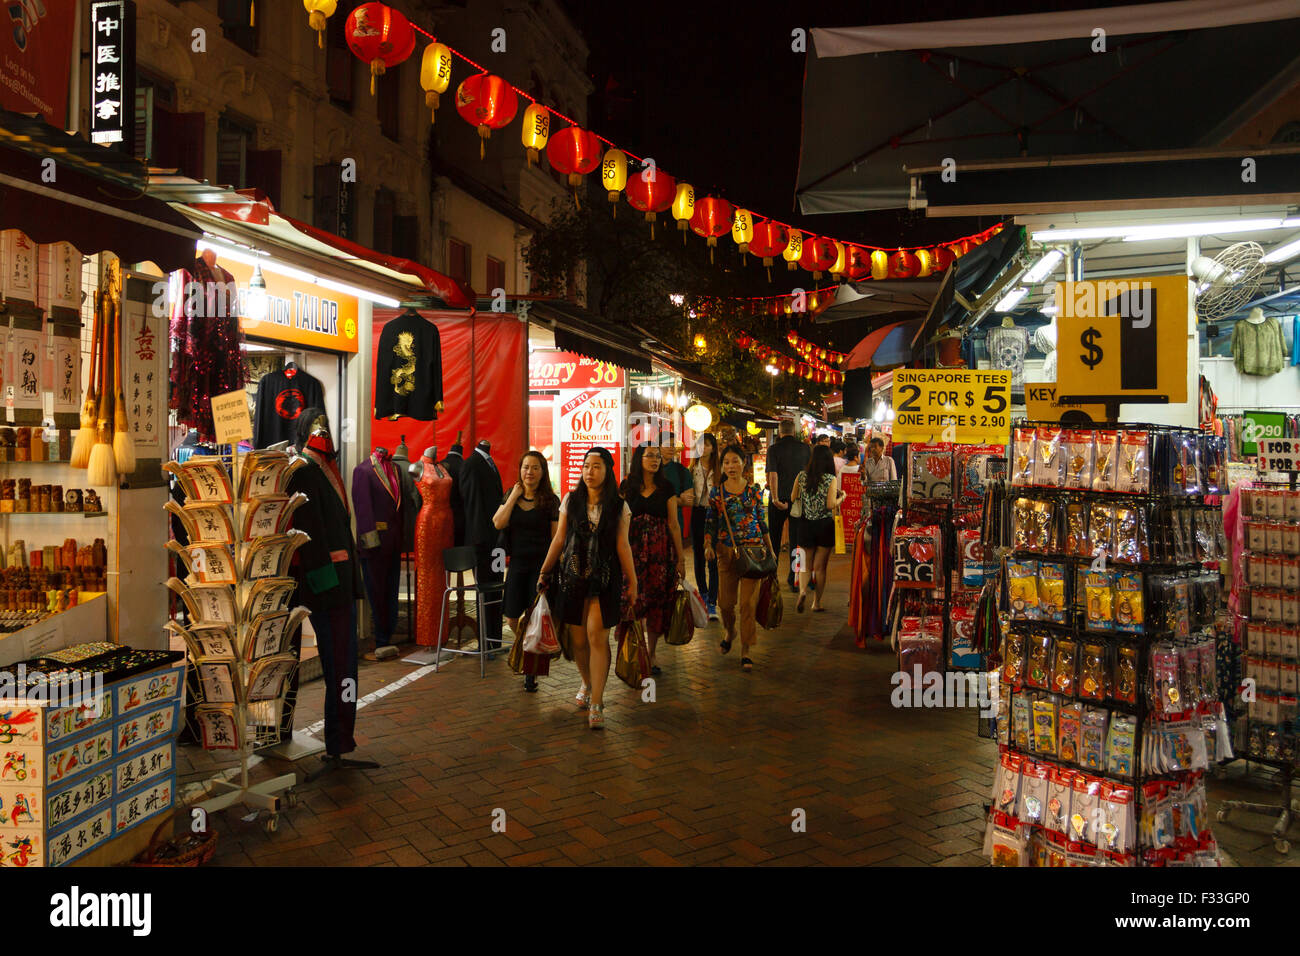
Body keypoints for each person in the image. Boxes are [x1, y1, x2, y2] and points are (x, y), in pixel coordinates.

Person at [538, 447, 637, 730]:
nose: (589, 472)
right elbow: (558, 539)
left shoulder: (619, 505)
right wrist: (544, 570)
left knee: (596, 636)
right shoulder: (571, 499)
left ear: (607, 471)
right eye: (586, 466)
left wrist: (633, 582)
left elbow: (623, 545)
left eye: (596, 467)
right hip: (573, 576)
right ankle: (586, 681)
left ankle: (597, 701)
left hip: (605, 579)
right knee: (578, 640)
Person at [704, 445, 775, 673]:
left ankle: (745, 651)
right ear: (722, 466)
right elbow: (710, 521)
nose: (730, 466)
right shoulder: (717, 492)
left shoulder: (754, 490)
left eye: (735, 461)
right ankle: (730, 631)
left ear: (743, 463)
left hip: (753, 552)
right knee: (725, 604)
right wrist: (708, 545)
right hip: (726, 553)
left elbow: (761, 522)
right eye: (726, 462)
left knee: (747, 604)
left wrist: (770, 549)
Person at [493, 451, 560, 693]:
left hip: (541, 567)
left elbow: (556, 539)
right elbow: (498, 523)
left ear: (542, 472)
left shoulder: (551, 501)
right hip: (518, 565)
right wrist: (513, 498)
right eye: (525, 467)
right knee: (512, 618)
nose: (529, 472)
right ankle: (528, 653)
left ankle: (531, 672)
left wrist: (549, 570)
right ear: (519, 470)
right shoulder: (511, 495)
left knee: (535, 619)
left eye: (534, 468)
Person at [621, 444, 687, 675]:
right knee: (634, 599)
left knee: (657, 602)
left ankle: (652, 653)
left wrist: (681, 559)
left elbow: (673, 524)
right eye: (650, 456)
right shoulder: (627, 486)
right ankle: (636, 651)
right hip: (632, 551)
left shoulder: (666, 487)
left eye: (658, 456)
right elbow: (619, 520)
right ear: (639, 459)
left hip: (660, 552)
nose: (655, 460)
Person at [796, 444, 844, 614]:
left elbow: (794, 496)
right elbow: (830, 505)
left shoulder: (802, 476)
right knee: (820, 568)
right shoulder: (831, 478)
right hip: (824, 526)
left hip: (806, 524)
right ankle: (816, 602)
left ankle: (802, 591)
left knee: (805, 565)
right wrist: (842, 498)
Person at [765, 419, 811, 593]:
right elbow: (808, 474)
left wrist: (775, 498)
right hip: (798, 499)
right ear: (794, 431)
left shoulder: (774, 449)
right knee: (796, 541)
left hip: (779, 499)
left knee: (774, 540)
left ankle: (772, 577)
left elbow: (773, 475)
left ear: (780, 431)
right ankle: (795, 578)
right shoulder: (805, 448)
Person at [689, 432, 721, 619]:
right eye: (701, 445)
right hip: (698, 513)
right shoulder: (691, 468)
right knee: (698, 555)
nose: (704, 448)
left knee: (713, 557)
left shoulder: (719, 470)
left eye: (707, 445)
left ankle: (712, 602)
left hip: (714, 514)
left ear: (713, 448)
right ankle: (703, 593)